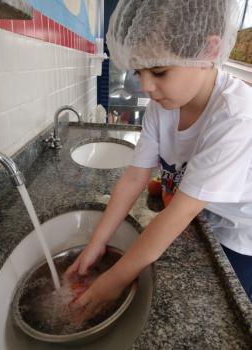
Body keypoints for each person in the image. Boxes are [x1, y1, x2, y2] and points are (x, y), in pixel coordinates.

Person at [66, 0, 252, 324]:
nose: (146, 86)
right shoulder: (161, 107)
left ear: (209, 50)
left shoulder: (236, 116)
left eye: (160, 70)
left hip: (242, 232)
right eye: (139, 71)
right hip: (206, 211)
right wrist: (96, 244)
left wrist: (112, 281)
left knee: (229, 314)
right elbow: (134, 178)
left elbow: (181, 210)